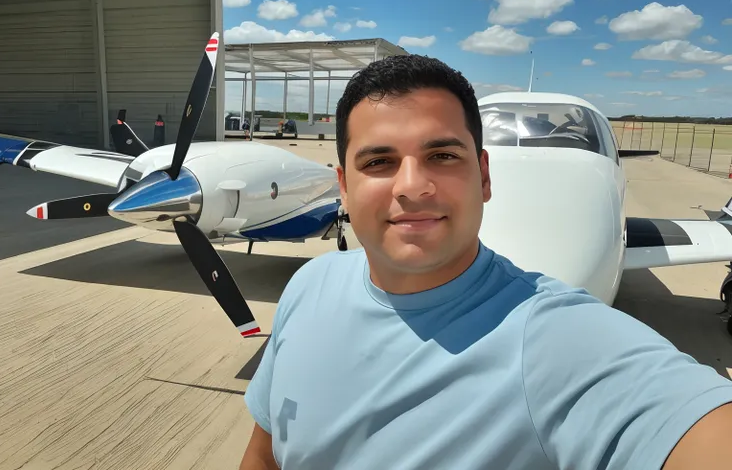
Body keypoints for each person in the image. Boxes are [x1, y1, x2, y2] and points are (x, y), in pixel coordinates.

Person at [239, 55, 732, 470]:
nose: (412, 186)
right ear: (343, 186)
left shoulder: (556, 338)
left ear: (485, 176)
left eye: (443, 156)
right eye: (378, 162)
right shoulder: (308, 285)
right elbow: (265, 456)